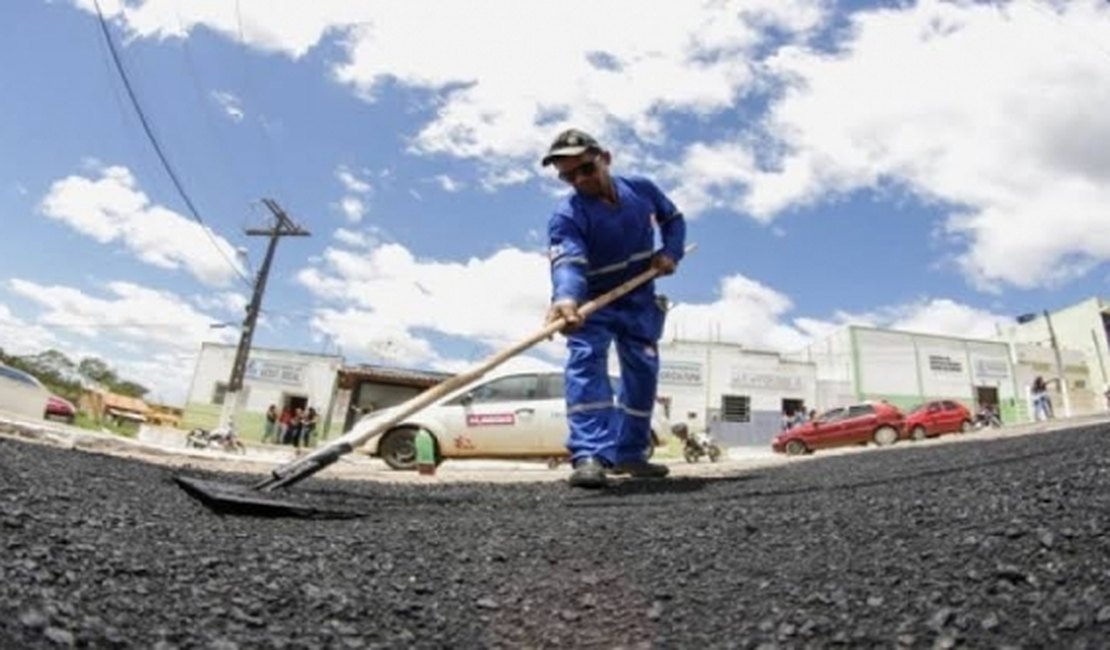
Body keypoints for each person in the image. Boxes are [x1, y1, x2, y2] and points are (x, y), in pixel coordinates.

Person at [541, 128, 686, 489]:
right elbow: (568, 262)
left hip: (639, 298)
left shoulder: (641, 189)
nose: (579, 180)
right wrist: (566, 299)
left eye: (585, 169)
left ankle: (630, 454)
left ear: (605, 158)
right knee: (586, 361)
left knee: (643, 370)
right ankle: (590, 455)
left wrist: (670, 252)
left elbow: (673, 219)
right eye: (567, 176)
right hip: (592, 301)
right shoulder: (567, 216)